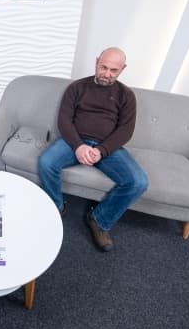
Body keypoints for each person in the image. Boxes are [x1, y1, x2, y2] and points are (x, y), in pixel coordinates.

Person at [38, 47, 148, 251]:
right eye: (103, 67)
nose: (107, 74)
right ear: (97, 62)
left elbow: (125, 130)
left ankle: (99, 220)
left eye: (113, 70)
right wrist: (78, 146)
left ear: (122, 69)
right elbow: (64, 121)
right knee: (46, 162)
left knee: (138, 182)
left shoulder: (126, 95)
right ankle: (56, 207)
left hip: (107, 147)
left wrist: (102, 150)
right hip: (75, 141)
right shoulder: (77, 88)